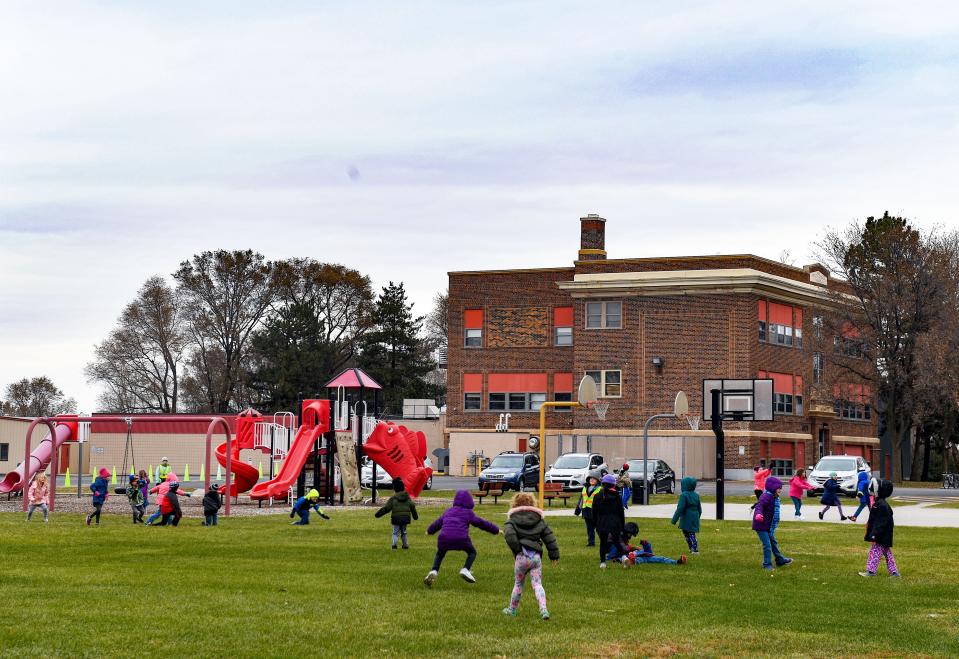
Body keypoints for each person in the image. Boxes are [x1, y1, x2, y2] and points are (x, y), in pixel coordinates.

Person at [502, 492, 559, 620]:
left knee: (518, 584)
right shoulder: (539, 520)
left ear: (514, 504)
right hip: (536, 558)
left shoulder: (511, 521)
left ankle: (512, 609)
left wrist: (518, 550)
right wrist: (554, 554)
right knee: (538, 584)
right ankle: (543, 609)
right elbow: (549, 537)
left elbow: (509, 535)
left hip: (521, 558)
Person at [424, 490, 500, 587]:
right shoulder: (468, 513)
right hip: (461, 539)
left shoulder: (448, 511)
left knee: (440, 554)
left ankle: (434, 570)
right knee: (472, 552)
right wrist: (496, 530)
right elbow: (481, 523)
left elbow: (437, 523)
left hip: (444, 538)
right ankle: (466, 569)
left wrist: (430, 531)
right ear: (469, 501)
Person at [860, 479, 900, 577]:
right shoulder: (879, 503)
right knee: (887, 554)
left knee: (875, 552)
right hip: (883, 535)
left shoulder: (882, 505)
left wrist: (874, 533)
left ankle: (871, 571)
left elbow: (881, 522)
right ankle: (894, 573)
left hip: (881, 535)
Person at [752, 476, 792, 570]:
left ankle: (780, 560)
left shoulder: (775, 497)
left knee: (773, 543)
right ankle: (767, 564)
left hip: (768, 526)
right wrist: (758, 515)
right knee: (767, 545)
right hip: (761, 525)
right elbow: (759, 506)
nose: (780, 490)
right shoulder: (766, 496)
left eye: (781, 488)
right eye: (779, 488)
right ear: (772, 487)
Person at [609, 523, 686, 566]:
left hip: (642, 555)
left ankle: (677, 562)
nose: (630, 537)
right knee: (638, 559)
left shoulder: (628, 543)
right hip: (628, 557)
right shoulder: (617, 540)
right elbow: (621, 548)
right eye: (630, 535)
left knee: (661, 558)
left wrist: (646, 545)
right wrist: (632, 548)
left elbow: (649, 553)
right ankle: (631, 561)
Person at [591, 474, 625, 569]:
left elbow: (594, 511)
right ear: (613, 485)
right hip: (615, 523)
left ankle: (603, 563)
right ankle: (624, 557)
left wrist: (595, 523)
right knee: (617, 541)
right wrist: (622, 525)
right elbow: (621, 512)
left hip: (602, 523)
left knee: (603, 543)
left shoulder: (597, 496)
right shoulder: (617, 496)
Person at [374, 477, 418, 549]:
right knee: (403, 532)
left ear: (395, 489)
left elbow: (386, 508)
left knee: (395, 532)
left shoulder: (393, 498)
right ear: (403, 488)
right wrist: (415, 516)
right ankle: (405, 545)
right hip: (405, 517)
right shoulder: (407, 497)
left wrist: (378, 514)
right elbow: (412, 506)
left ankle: (394, 545)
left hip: (396, 518)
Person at [670, 476, 702, 553]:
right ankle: (692, 548)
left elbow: (680, 508)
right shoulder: (696, 495)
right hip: (694, 517)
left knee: (687, 533)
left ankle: (694, 549)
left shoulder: (684, 495)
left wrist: (674, 520)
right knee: (691, 533)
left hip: (686, 518)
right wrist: (698, 517)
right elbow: (700, 509)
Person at [573, 471, 602, 547]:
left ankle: (604, 542)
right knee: (589, 528)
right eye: (590, 478)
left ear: (598, 480)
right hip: (586, 511)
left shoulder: (600, 489)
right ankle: (591, 543)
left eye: (594, 479)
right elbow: (581, 500)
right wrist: (577, 510)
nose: (592, 480)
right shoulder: (585, 488)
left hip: (596, 512)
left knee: (599, 528)